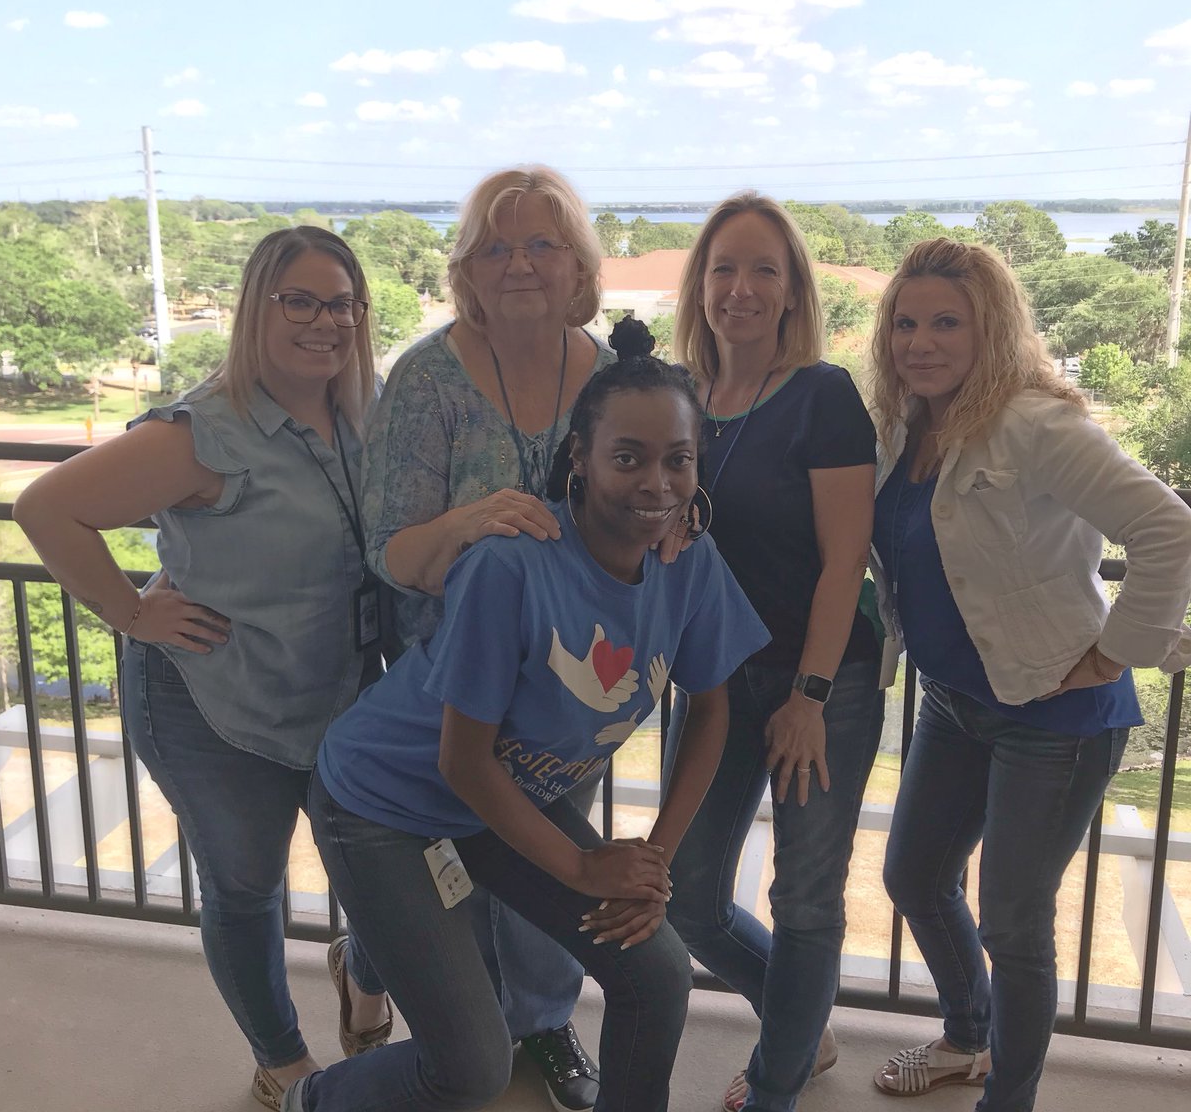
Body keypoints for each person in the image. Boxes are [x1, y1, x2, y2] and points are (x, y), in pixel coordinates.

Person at [287, 319, 771, 1112]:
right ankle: (316, 1100)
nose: (657, 483)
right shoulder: (510, 567)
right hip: (382, 803)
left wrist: (653, 860)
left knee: (654, 971)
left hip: (496, 800)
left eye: (678, 460)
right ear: (580, 458)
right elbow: (460, 761)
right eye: (628, 458)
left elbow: (712, 708)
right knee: (471, 1069)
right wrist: (586, 868)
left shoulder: (690, 562)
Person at [13, 227, 393, 1110]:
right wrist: (133, 612)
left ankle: (363, 981)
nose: (324, 321)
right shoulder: (201, 431)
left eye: (341, 302)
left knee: (386, 875)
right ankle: (283, 1063)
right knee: (246, 885)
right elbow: (47, 506)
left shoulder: (363, 412)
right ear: (256, 309)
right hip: (213, 708)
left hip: (343, 699)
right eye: (299, 300)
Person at [867, 238, 1191, 1109]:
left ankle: (1005, 1096)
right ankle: (967, 1037)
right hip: (955, 702)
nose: (920, 342)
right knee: (913, 875)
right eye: (906, 322)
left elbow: (1167, 527)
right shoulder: (903, 424)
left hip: (1055, 717)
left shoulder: (1034, 424)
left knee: (1014, 924)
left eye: (946, 322)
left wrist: (1115, 651)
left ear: (992, 329)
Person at [359, 164, 617, 1109]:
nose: (519, 264)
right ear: (468, 267)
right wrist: (475, 520)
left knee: (550, 861)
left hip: (576, 687)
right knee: (454, 865)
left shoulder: (613, 375)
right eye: (496, 247)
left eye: (542, 244)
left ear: (578, 265)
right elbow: (389, 548)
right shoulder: (426, 377)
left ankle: (545, 1024)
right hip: (451, 679)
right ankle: (454, 1020)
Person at [664, 192, 884, 1112]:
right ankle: (802, 1018)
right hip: (716, 680)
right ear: (701, 285)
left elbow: (846, 563)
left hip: (820, 678)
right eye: (723, 269)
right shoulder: (679, 397)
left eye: (763, 270)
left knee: (805, 900)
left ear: (793, 289)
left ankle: (779, 1078)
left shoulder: (822, 396)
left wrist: (810, 694)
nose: (740, 289)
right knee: (686, 896)